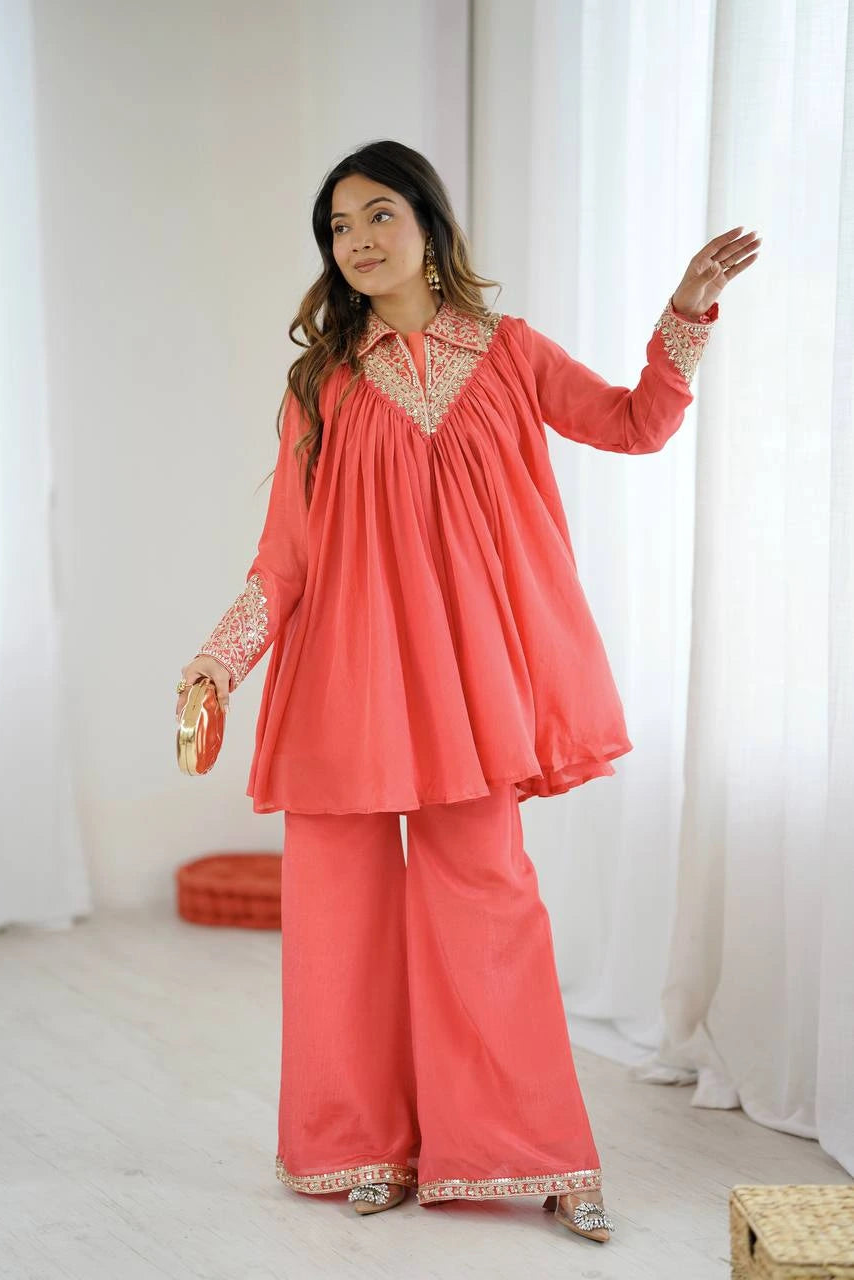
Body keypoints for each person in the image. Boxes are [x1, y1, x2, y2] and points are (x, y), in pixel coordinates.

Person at [175, 140, 760, 1243]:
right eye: (337, 226)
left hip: (464, 694)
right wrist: (215, 660)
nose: (355, 240)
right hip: (345, 688)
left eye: (376, 214)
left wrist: (686, 312)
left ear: (428, 225)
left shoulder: (505, 350)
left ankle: (526, 1151)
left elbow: (634, 423)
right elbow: (283, 560)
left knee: (485, 908)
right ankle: (358, 1142)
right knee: (340, 920)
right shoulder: (321, 383)